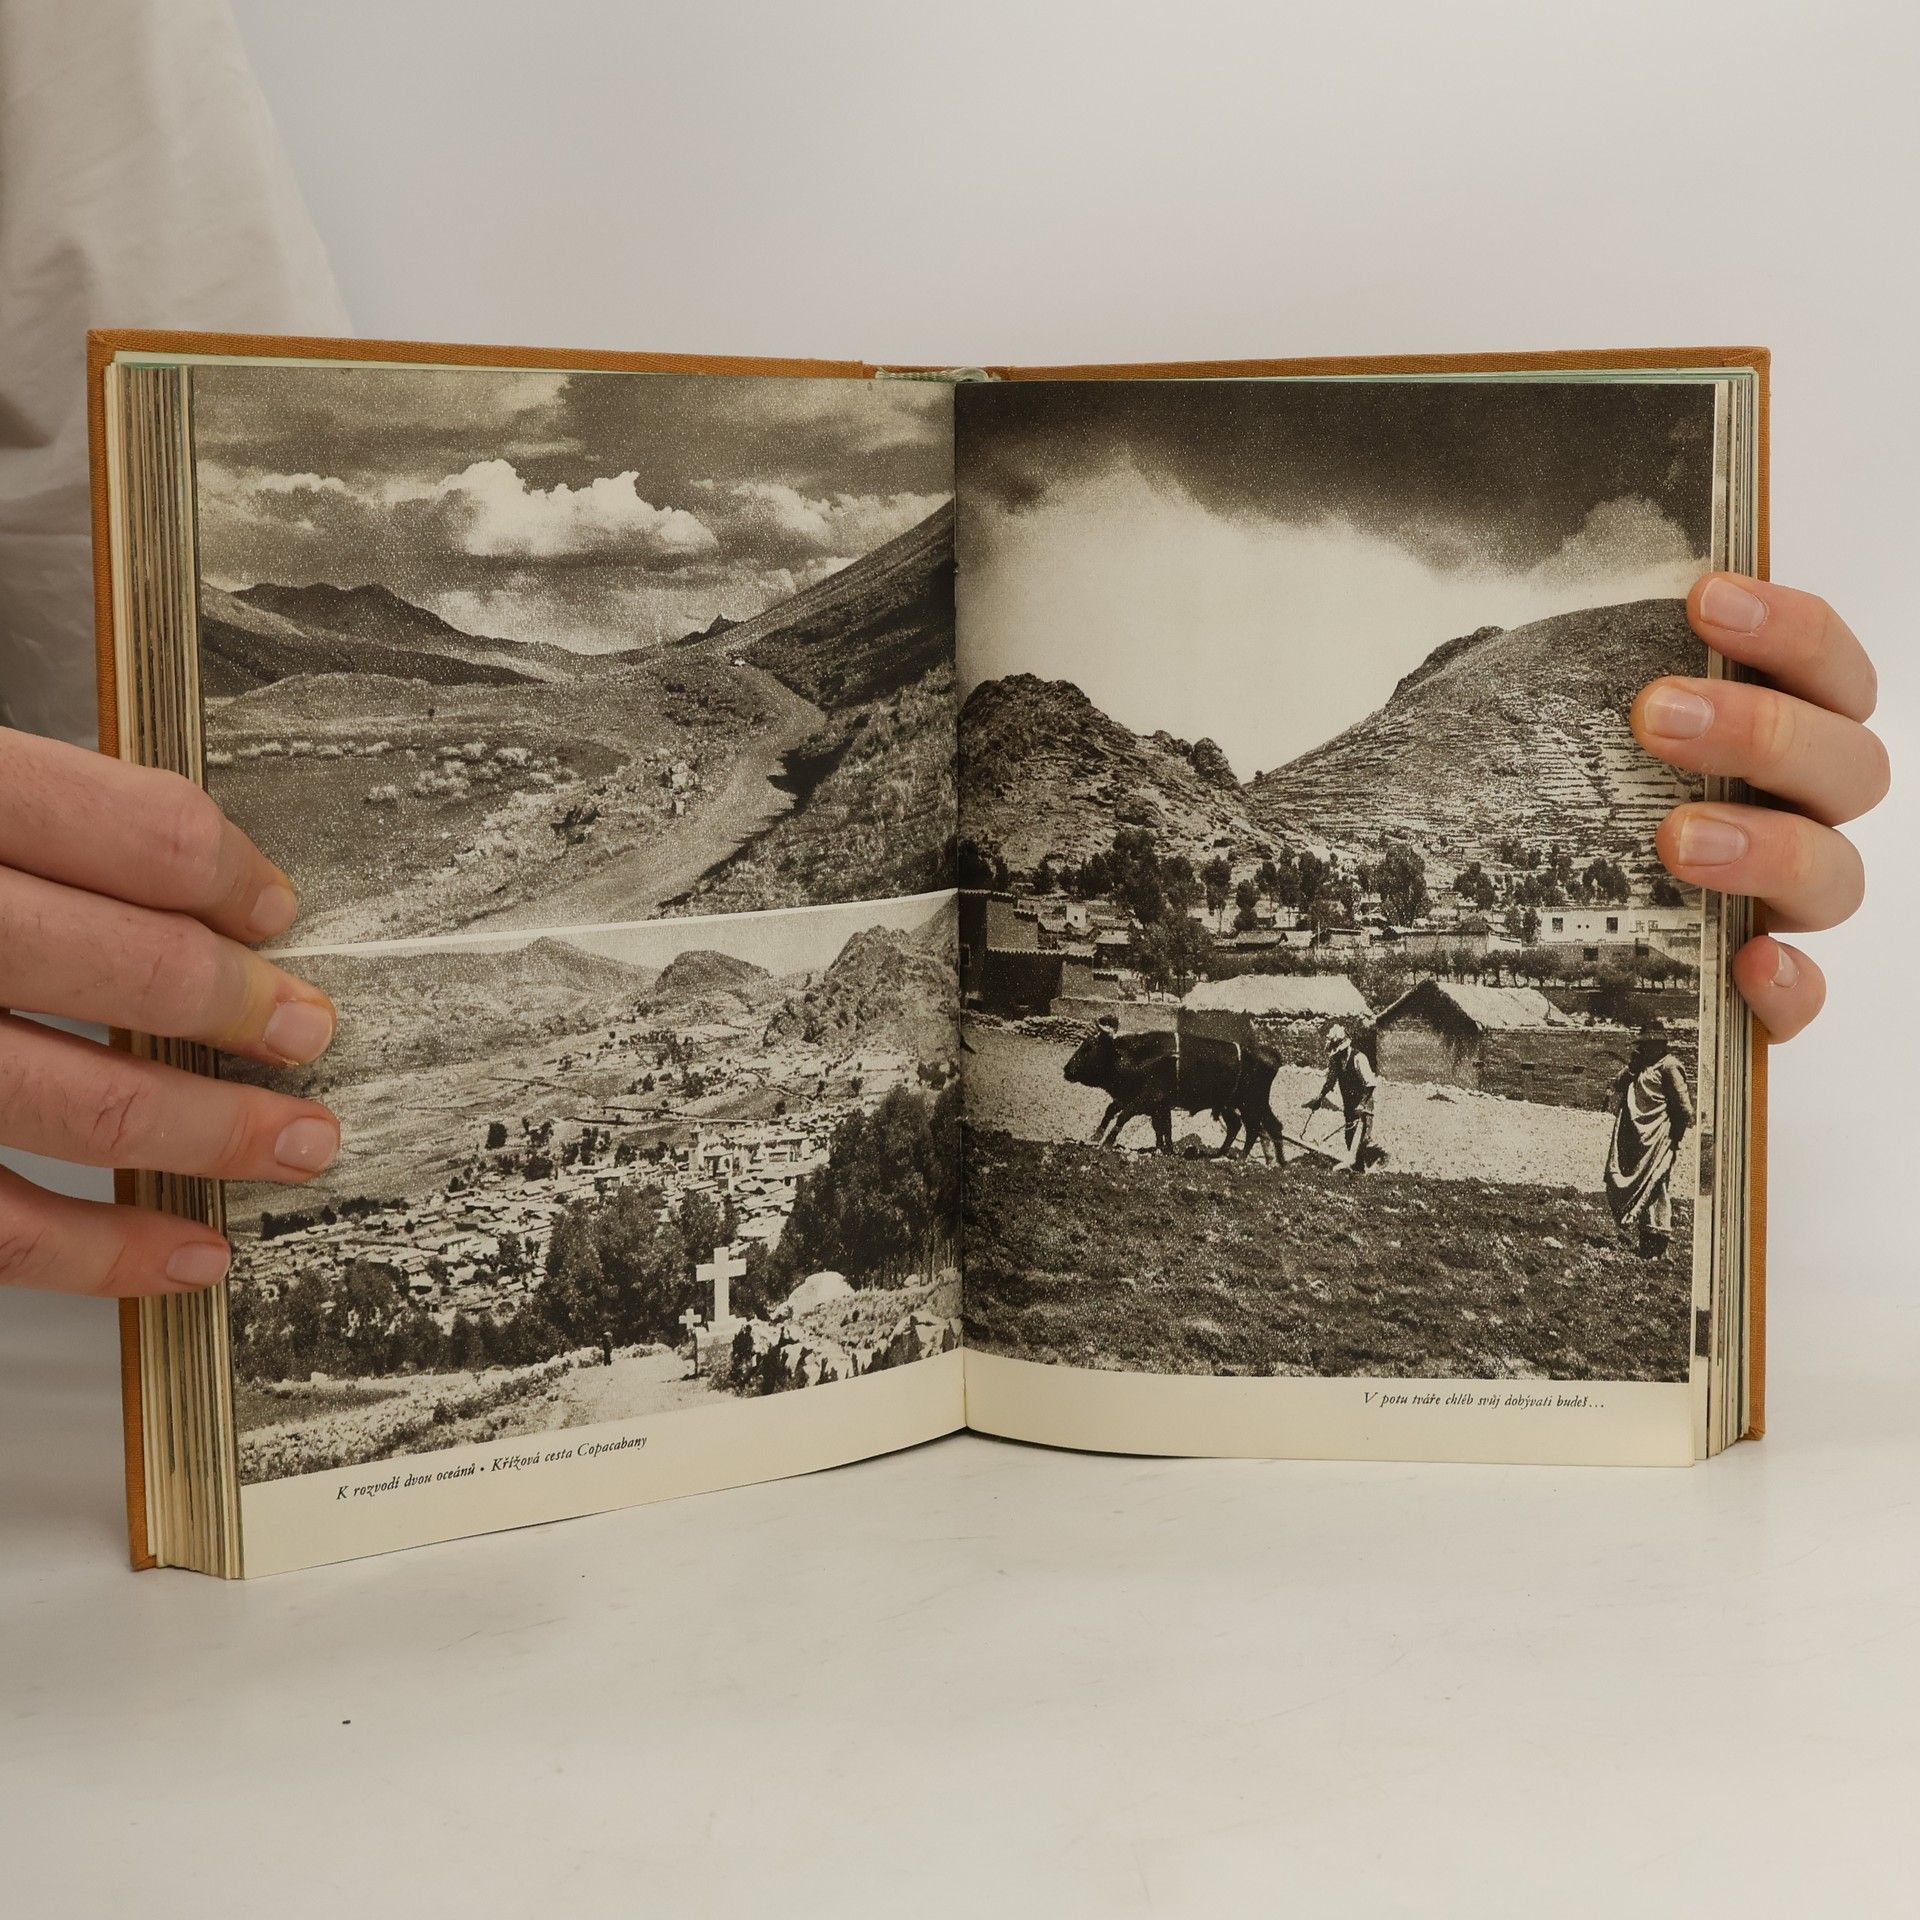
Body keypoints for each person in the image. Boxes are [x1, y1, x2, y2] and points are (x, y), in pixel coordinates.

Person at [1605, 1023, 1696, 1260]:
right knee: (1640, 1186)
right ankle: (1646, 1243)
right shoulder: (1641, 1066)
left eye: (1650, 1044)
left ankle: (1657, 1244)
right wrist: (1632, 1067)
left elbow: (1684, 1108)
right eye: (1644, 1045)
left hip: (1660, 1139)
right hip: (1638, 1140)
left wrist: (1675, 1136)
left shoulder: (1669, 1066)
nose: (1646, 1049)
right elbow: (1618, 1084)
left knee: (1657, 1185)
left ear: (1660, 1045)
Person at [1308, 1023, 1380, 1175]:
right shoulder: (1335, 1061)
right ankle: (1358, 1171)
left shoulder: (1359, 1058)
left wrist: (1362, 1104)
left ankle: (1372, 1169)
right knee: (1349, 1138)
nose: (1337, 1054)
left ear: (1345, 1047)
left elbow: (1371, 1084)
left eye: (1339, 1051)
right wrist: (1319, 1098)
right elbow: (1330, 1082)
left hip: (1363, 1106)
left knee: (1362, 1141)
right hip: (1349, 1106)